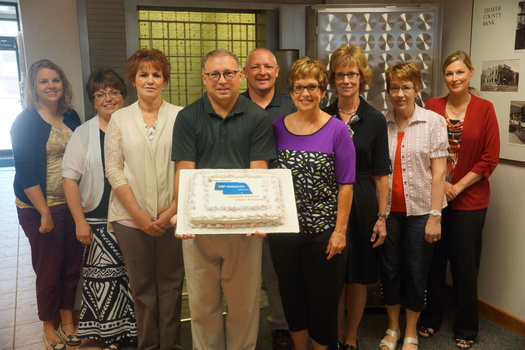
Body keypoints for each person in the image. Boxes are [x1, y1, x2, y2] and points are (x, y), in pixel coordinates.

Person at [172, 49, 276, 350]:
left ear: (240, 75)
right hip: (200, 228)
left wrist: (258, 217)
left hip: (243, 228)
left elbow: (259, 171)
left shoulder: (257, 117)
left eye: (229, 73)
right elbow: (184, 170)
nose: (222, 80)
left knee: (244, 306)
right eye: (214, 74)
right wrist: (184, 216)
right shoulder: (187, 117)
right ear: (204, 78)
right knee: (203, 307)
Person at [267, 56, 355, 350]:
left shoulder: (338, 130)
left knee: (324, 303)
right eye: (299, 87)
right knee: (292, 298)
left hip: (324, 233)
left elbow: (346, 185)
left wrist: (340, 231)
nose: (306, 93)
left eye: (313, 87)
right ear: (290, 92)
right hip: (285, 233)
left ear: (323, 90)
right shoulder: (276, 128)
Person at [419, 51, 500, 349]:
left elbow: (489, 158)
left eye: (460, 72)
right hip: (434, 200)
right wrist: (442, 187)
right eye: (449, 73)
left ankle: (467, 328)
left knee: (465, 267)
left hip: (470, 201)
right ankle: (431, 318)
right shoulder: (432, 106)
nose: (454, 78)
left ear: (471, 73)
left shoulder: (485, 109)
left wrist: (456, 186)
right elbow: (422, 149)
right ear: (444, 76)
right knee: (433, 263)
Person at [104, 49, 184, 350]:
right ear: (133, 80)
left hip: (172, 217)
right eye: (143, 74)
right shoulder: (119, 119)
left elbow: (187, 165)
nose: (150, 80)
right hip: (129, 219)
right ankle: (149, 345)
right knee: (142, 289)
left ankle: (172, 345)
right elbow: (113, 168)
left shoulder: (181, 116)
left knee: (172, 286)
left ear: (164, 80)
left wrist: (173, 209)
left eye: (156, 74)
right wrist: (138, 215)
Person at [10, 59, 82, 350]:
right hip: (38, 207)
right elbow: (25, 171)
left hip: (70, 204)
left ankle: (68, 320)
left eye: (55, 80)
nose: (51, 86)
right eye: (43, 81)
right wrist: (44, 213)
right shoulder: (26, 121)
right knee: (49, 268)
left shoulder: (72, 116)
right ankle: (48, 326)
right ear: (33, 87)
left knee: (71, 265)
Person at [62, 69, 137, 350]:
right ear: (93, 101)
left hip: (133, 217)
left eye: (114, 92)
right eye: (100, 94)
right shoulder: (83, 133)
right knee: (102, 281)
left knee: (133, 279)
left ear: (123, 95)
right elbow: (69, 179)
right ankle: (108, 337)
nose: (108, 98)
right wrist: (80, 222)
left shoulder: (136, 124)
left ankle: (134, 334)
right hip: (97, 219)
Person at [322, 44, 391, 350]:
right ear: (333, 78)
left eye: (352, 73)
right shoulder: (322, 116)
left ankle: (351, 336)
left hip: (362, 199)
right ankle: (334, 334)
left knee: (358, 276)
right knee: (333, 274)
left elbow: (380, 174)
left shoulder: (374, 119)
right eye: (340, 74)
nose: (346, 80)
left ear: (363, 77)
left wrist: (382, 216)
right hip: (329, 200)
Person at [379, 62, 448, 350]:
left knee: (416, 271)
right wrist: (380, 215)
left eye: (406, 87)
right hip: (388, 213)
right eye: (394, 87)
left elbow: (440, 173)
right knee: (390, 270)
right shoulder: (380, 122)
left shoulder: (433, 122)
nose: (400, 93)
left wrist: (435, 216)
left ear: (417, 88)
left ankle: (410, 330)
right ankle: (392, 327)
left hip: (421, 212)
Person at [242, 47, 295, 350]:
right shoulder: (233, 105)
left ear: (277, 71)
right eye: (255, 67)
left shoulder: (291, 107)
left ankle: (281, 325)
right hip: (242, 200)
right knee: (244, 272)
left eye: (267, 67)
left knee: (278, 272)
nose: (262, 72)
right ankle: (242, 330)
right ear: (245, 73)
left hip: (283, 201)